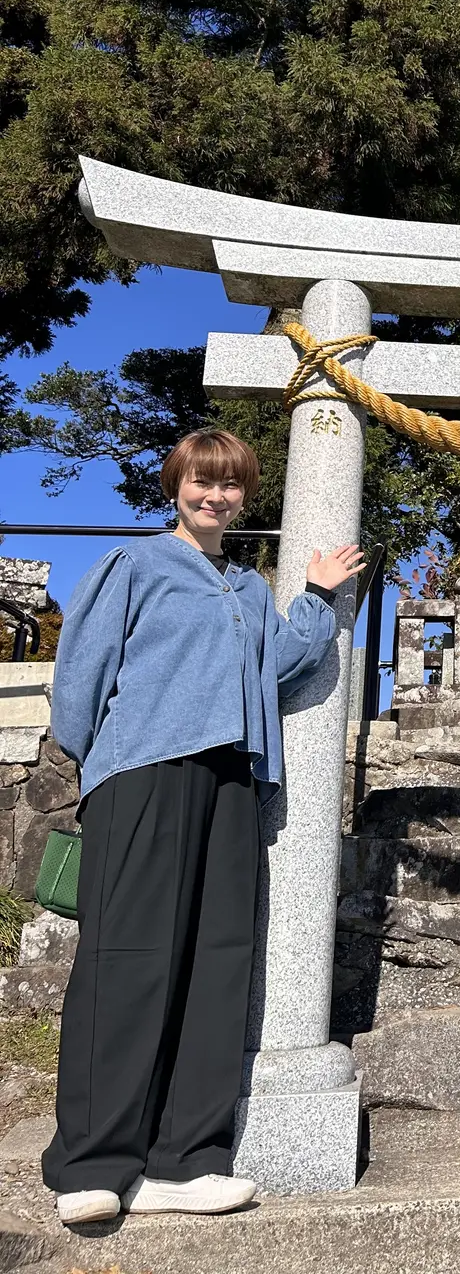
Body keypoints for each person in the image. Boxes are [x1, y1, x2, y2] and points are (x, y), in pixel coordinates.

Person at [42, 428, 365, 1227]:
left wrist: (315, 595)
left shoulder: (249, 588)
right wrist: (103, 762)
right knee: (126, 960)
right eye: (202, 481)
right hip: (142, 774)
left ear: (245, 496)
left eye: (231, 485)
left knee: (218, 965)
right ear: (175, 486)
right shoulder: (134, 565)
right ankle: (93, 1165)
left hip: (233, 782)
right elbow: (80, 679)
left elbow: (280, 666)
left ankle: (184, 1160)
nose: (216, 496)